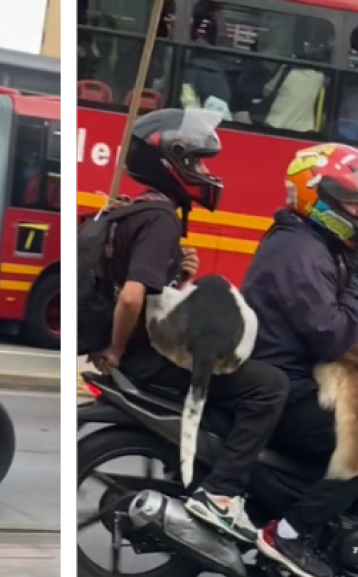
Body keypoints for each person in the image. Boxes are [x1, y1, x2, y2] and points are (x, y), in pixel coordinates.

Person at [87, 108, 288, 542]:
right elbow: (131, 296)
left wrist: (178, 272)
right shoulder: (161, 219)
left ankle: (202, 471)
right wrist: (117, 351)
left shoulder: (138, 210)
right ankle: (221, 494)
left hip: (149, 347)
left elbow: (151, 291)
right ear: (169, 162)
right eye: (195, 162)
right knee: (270, 386)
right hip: (148, 358)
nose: (203, 172)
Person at [241, 143, 358, 577]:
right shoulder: (301, 254)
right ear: (318, 198)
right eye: (351, 201)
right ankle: (288, 534)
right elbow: (331, 336)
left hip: (288, 378)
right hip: (286, 389)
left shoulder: (310, 243)